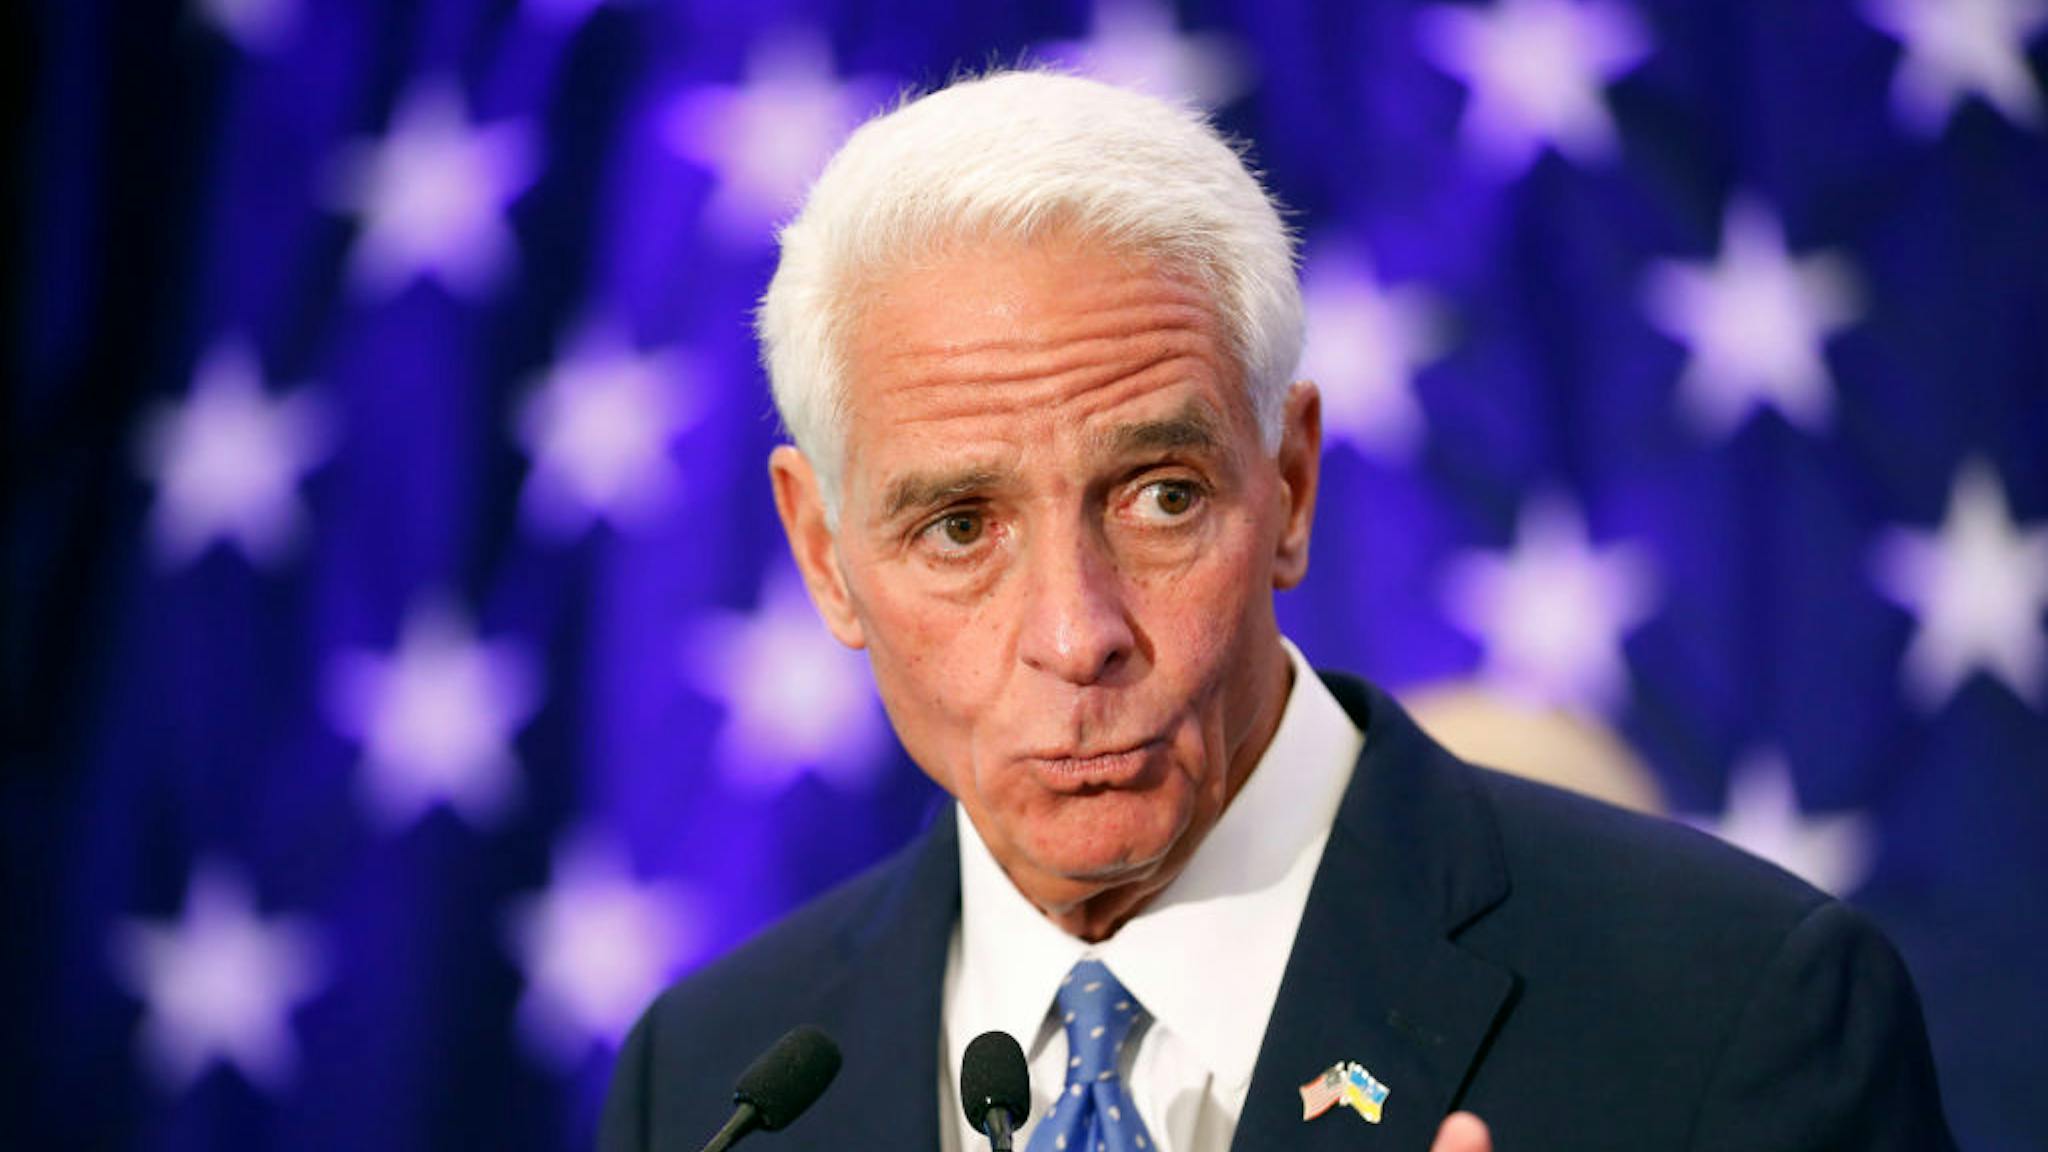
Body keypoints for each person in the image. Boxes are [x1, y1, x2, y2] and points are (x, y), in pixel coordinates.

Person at [600, 70, 1955, 1152]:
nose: (1078, 636)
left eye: (1160, 497)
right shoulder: (715, 1084)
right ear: (825, 554)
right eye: (961, 527)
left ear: (1290, 486)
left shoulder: (1734, 1008)